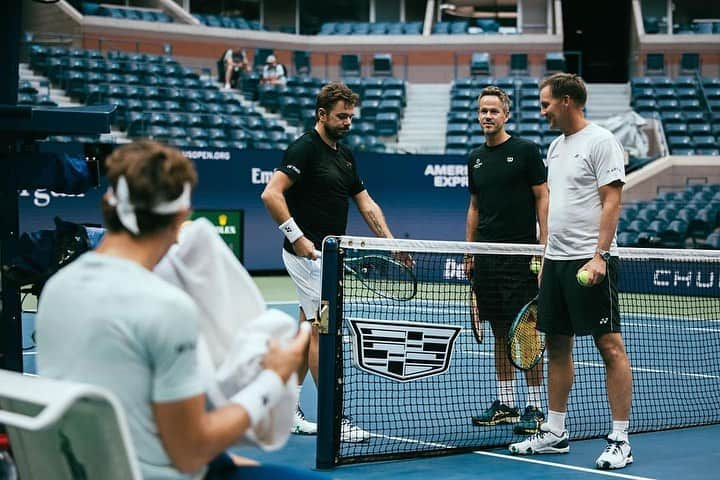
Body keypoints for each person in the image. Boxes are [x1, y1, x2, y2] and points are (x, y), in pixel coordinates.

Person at [36, 140, 322, 480]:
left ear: (108, 203)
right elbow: (191, 452)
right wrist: (275, 378)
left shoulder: (57, 287)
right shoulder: (166, 308)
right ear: (181, 218)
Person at [261, 82, 407, 442]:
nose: (347, 122)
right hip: (306, 257)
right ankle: (333, 416)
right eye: (342, 116)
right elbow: (271, 194)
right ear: (322, 115)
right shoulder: (304, 148)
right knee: (321, 331)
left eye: (350, 116)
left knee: (305, 330)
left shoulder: (344, 155)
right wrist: (298, 238)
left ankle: (288, 410)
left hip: (326, 256)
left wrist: (389, 242)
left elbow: (366, 203)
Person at [509, 73, 633, 471]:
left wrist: (599, 255)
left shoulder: (601, 141)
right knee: (558, 345)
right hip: (557, 263)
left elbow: (611, 200)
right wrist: (546, 259)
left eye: (546, 104)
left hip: (590, 260)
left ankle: (620, 439)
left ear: (566, 101)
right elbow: (556, 207)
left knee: (609, 346)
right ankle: (555, 431)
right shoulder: (556, 147)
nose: (542, 111)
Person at [464, 86, 549, 435]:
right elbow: (474, 208)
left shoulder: (526, 151)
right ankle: (506, 403)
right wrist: (469, 251)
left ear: (506, 115)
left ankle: (535, 406)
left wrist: (543, 247)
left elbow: (543, 198)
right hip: (486, 257)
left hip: (519, 255)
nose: (487, 116)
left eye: (493, 111)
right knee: (501, 330)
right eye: (483, 111)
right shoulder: (475, 158)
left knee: (525, 331)